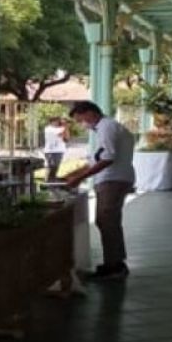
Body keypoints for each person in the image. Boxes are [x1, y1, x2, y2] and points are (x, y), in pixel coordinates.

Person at [64, 101, 135, 281]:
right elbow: (98, 159)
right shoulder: (106, 128)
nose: (82, 124)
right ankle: (114, 262)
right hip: (112, 179)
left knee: (107, 221)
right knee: (107, 222)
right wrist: (76, 173)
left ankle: (115, 266)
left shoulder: (107, 128)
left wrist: (80, 178)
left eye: (81, 120)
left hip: (113, 180)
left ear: (90, 113)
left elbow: (108, 158)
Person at [42, 116, 69, 181]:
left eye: (58, 121)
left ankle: (52, 180)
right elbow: (60, 133)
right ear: (51, 122)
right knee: (52, 166)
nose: (58, 123)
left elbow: (66, 138)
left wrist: (65, 127)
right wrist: (65, 125)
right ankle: (48, 180)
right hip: (51, 151)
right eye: (56, 121)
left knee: (56, 167)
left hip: (59, 150)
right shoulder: (48, 129)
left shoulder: (61, 129)